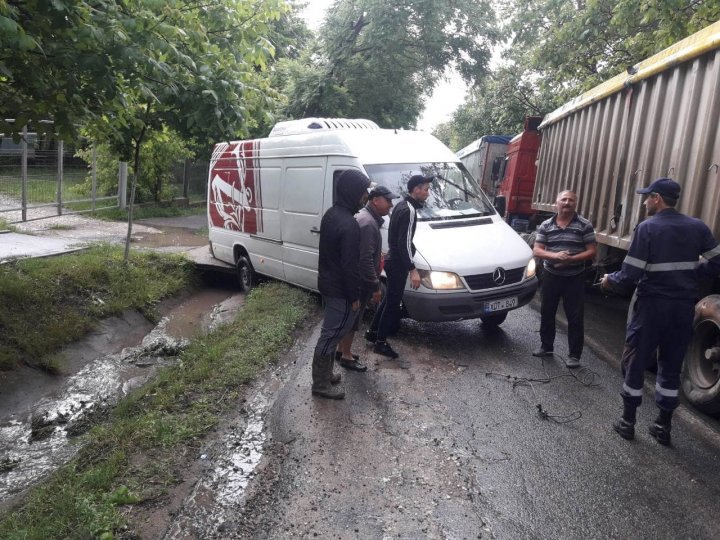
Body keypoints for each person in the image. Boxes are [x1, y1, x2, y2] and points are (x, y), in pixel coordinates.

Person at [601, 178, 720, 444]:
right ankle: (662, 426)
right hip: (682, 308)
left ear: (657, 198)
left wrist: (610, 280)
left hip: (652, 307)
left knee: (636, 362)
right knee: (670, 365)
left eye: (646, 198)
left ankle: (628, 421)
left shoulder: (648, 228)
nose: (644, 202)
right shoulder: (698, 227)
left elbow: (630, 274)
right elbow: (717, 262)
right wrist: (694, 270)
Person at [312, 169, 371, 400]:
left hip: (328, 283)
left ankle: (325, 376)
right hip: (340, 289)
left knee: (330, 332)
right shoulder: (349, 224)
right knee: (331, 335)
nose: (366, 195)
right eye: (363, 190)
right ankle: (320, 384)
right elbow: (349, 266)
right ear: (352, 191)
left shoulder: (332, 214)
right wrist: (354, 295)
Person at [366, 174, 432, 359]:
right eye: (426, 189)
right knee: (393, 305)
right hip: (397, 264)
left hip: (393, 261)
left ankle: (372, 333)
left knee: (388, 301)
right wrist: (413, 270)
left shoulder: (402, 206)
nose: (428, 193)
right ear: (416, 189)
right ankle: (380, 343)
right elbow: (403, 242)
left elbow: (401, 240)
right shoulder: (409, 209)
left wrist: (413, 250)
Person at [335, 185, 400, 371]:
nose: (390, 204)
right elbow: (364, 260)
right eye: (388, 200)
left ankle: (342, 351)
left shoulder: (366, 217)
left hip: (354, 278)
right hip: (359, 281)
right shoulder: (368, 223)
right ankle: (346, 356)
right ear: (375, 200)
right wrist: (375, 286)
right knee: (353, 319)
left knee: (350, 317)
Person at [532, 190, 597, 368]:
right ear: (556, 202)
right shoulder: (546, 225)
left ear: (575, 203)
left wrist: (571, 259)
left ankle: (574, 355)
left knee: (575, 317)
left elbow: (592, 251)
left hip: (574, 277)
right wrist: (556, 256)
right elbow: (537, 250)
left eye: (571, 200)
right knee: (547, 312)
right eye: (564, 199)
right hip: (551, 276)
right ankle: (546, 347)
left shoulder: (584, 225)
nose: (567, 203)